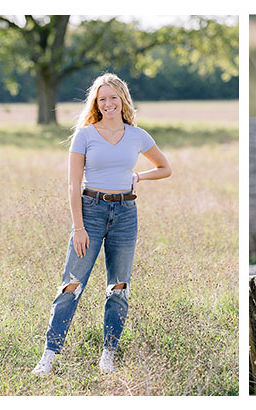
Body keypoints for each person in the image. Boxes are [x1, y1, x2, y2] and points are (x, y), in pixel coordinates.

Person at [31, 73, 172, 375]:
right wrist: (78, 227)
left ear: (123, 99)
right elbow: (72, 185)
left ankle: (108, 353)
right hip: (91, 212)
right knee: (72, 285)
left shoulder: (137, 135)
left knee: (118, 287)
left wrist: (139, 176)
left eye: (113, 97)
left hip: (125, 213)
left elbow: (165, 168)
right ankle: (49, 356)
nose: (108, 103)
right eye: (102, 98)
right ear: (96, 102)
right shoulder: (85, 135)